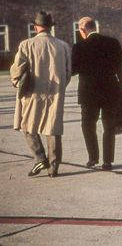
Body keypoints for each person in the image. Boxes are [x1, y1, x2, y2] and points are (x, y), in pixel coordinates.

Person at [10, 12, 71, 178]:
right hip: (55, 93)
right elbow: (68, 73)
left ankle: (39, 157)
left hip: (33, 93)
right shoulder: (63, 46)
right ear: (51, 26)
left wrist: (17, 83)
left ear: (35, 26)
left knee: (27, 125)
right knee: (53, 128)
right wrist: (60, 87)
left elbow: (17, 68)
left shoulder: (26, 45)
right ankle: (53, 167)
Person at [72, 16, 122, 171]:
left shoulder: (79, 47)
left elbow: (73, 70)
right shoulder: (112, 43)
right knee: (109, 126)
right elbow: (121, 69)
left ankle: (93, 157)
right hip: (110, 90)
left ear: (82, 30)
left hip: (88, 93)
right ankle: (107, 161)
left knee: (88, 125)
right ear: (95, 27)